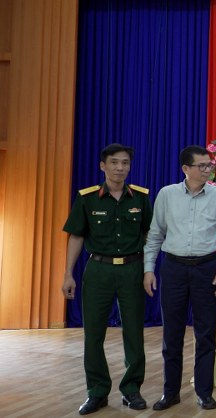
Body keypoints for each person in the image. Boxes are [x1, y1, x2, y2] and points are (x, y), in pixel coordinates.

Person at [61, 143, 152, 415]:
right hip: (98, 270)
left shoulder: (140, 198)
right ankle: (97, 392)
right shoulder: (87, 198)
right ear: (103, 166)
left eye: (125, 163)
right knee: (93, 334)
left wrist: (149, 269)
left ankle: (131, 389)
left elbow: (150, 235)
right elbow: (76, 236)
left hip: (132, 269)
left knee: (134, 332)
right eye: (114, 162)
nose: (120, 168)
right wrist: (68, 273)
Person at [142, 145, 216, 411]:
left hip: (207, 268)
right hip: (173, 268)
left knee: (206, 334)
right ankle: (170, 392)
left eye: (209, 165)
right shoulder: (167, 194)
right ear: (185, 168)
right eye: (201, 166)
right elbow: (155, 235)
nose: (207, 170)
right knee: (172, 334)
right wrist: (149, 269)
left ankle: (204, 392)